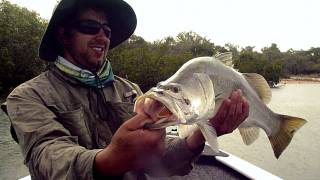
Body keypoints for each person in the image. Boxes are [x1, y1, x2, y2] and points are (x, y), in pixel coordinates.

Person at [5, 0, 249, 179]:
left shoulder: (131, 90)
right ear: (63, 34)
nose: (102, 36)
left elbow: (160, 163)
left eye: (107, 30)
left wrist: (202, 134)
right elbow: (46, 159)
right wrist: (110, 159)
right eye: (90, 27)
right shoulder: (27, 96)